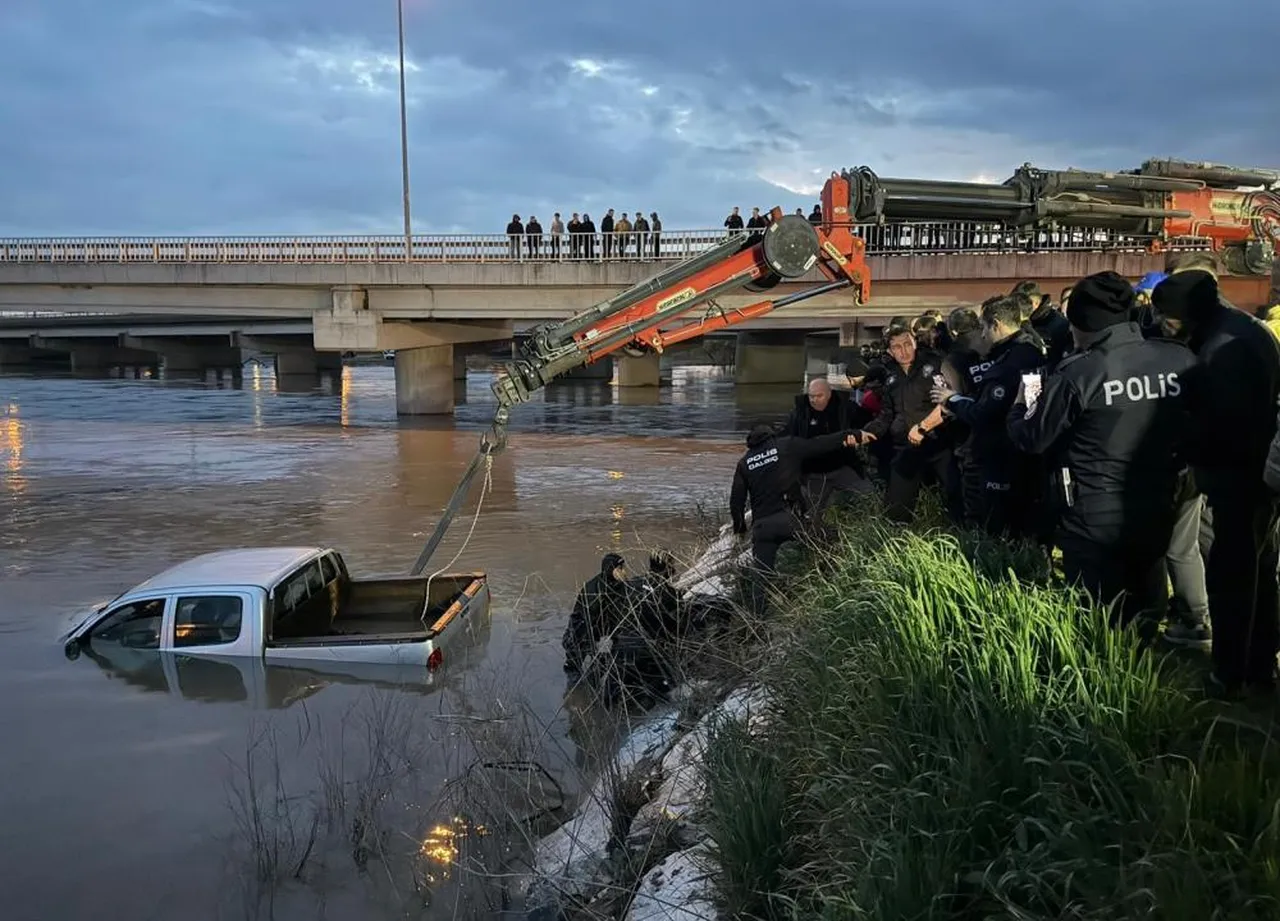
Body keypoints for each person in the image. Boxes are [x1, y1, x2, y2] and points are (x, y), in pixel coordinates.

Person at [1007, 270, 1196, 630]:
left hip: (1095, 514)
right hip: (1160, 501)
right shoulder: (1178, 359)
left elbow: (1032, 438)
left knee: (1100, 620)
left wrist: (1018, 406)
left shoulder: (1080, 373)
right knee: (1146, 601)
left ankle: (1108, 676)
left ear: (1081, 323)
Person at [1152, 269, 1280, 694]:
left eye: (1166, 316)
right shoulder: (1246, 328)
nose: (1163, 325)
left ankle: (1229, 673)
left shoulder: (1223, 349)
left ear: (1188, 312)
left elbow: (1222, 425)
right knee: (1260, 570)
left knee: (1232, 576)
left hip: (1239, 476)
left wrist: (1185, 448)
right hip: (1258, 473)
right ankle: (1260, 666)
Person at [932, 295, 1046, 537]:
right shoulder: (1032, 353)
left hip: (1001, 453)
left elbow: (985, 413)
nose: (982, 335)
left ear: (996, 324)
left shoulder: (1007, 364)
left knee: (995, 526)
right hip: (1027, 450)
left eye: (984, 327)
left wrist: (950, 399)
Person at [730, 425, 858, 611]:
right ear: (771, 436)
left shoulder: (744, 463)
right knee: (829, 539)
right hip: (790, 520)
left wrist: (740, 529)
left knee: (761, 578)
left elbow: (736, 501)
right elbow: (819, 444)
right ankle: (836, 587)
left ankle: (757, 623)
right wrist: (848, 434)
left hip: (762, 527)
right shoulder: (786, 445)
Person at [853, 323, 953, 522]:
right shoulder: (890, 377)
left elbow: (948, 403)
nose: (904, 351)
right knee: (895, 510)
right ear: (890, 351)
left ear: (915, 342)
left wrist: (924, 427)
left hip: (939, 444)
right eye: (897, 347)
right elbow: (886, 415)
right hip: (907, 447)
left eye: (908, 344)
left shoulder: (935, 365)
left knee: (956, 498)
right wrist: (866, 433)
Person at [781, 377, 871, 513]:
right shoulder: (800, 413)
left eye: (819, 396)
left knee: (869, 496)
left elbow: (869, 424)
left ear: (829, 394)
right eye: (811, 396)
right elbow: (788, 439)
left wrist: (859, 438)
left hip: (843, 467)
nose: (814, 400)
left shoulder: (845, 407)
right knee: (810, 513)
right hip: (813, 473)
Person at [562, 553, 631, 674]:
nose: (624, 572)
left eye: (623, 568)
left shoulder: (620, 585)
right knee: (575, 668)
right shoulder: (594, 591)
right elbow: (581, 624)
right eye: (620, 569)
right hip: (585, 631)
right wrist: (598, 647)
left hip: (606, 628)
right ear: (610, 569)